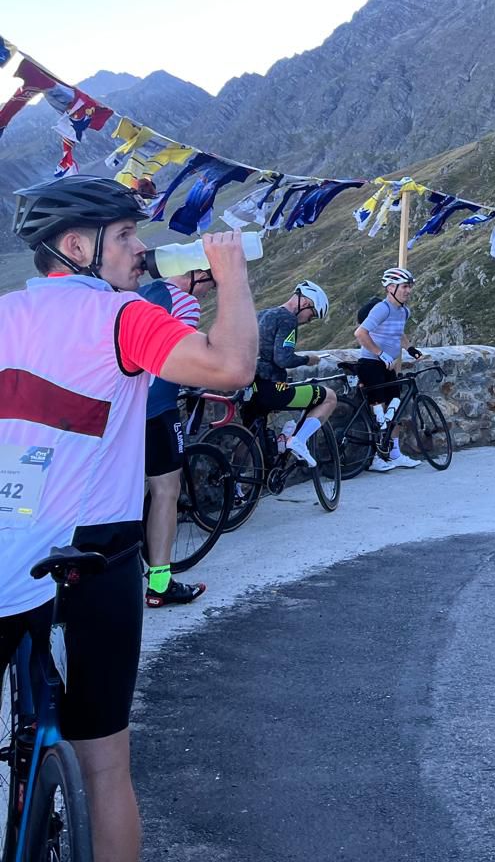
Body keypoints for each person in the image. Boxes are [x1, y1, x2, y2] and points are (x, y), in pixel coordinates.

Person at [0, 175, 258, 862]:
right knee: (106, 766)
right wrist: (231, 274)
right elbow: (232, 365)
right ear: (77, 247)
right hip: (95, 555)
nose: (140, 248)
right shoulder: (124, 316)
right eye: (124, 235)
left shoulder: (3, 314)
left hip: (6, 538)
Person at [140, 262, 215, 608]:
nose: (208, 293)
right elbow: (181, 357)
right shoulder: (185, 301)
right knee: (166, 491)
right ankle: (159, 583)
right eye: (210, 284)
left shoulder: (141, 294)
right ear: (196, 274)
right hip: (157, 409)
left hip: (120, 410)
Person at [244, 280, 336, 465]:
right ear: (306, 302)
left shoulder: (262, 314)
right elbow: (283, 359)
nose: (309, 320)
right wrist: (307, 360)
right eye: (312, 315)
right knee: (329, 397)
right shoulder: (288, 319)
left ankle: (237, 479)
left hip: (250, 387)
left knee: (248, 437)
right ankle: (299, 441)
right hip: (271, 389)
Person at [354, 266, 426, 472]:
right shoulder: (382, 309)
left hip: (388, 366)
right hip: (371, 364)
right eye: (404, 287)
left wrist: (410, 348)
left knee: (394, 408)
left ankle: (394, 453)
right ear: (390, 288)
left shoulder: (403, 311)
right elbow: (360, 333)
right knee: (379, 412)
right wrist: (380, 353)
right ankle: (376, 458)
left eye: (409, 287)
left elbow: (398, 333)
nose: (408, 291)